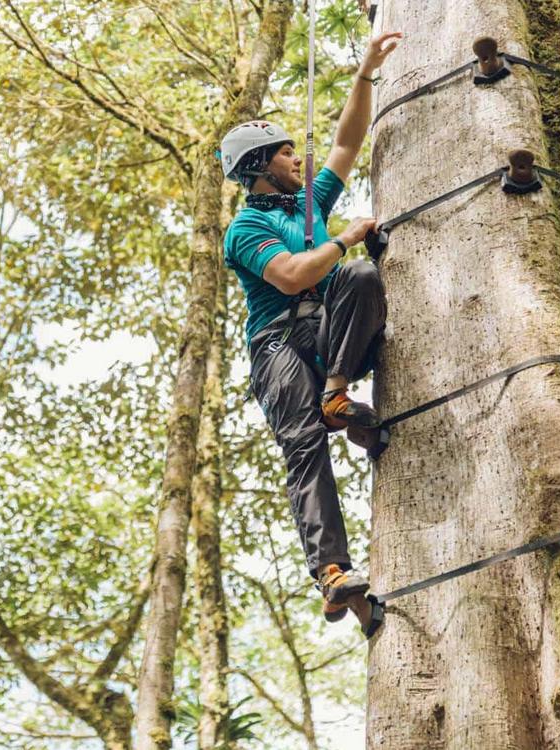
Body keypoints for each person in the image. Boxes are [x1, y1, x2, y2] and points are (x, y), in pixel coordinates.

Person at [220, 32, 402, 629]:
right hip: (278, 344)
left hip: (331, 340)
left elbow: (349, 141)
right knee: (303, 444)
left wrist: (366, 74)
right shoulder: (244, 230)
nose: (299, 160)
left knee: (360, 278)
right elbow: (295, 276)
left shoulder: (307, 204)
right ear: (258, 168)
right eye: (286, 153)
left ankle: (338, 392)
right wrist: (342, 235)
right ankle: (331, 573)